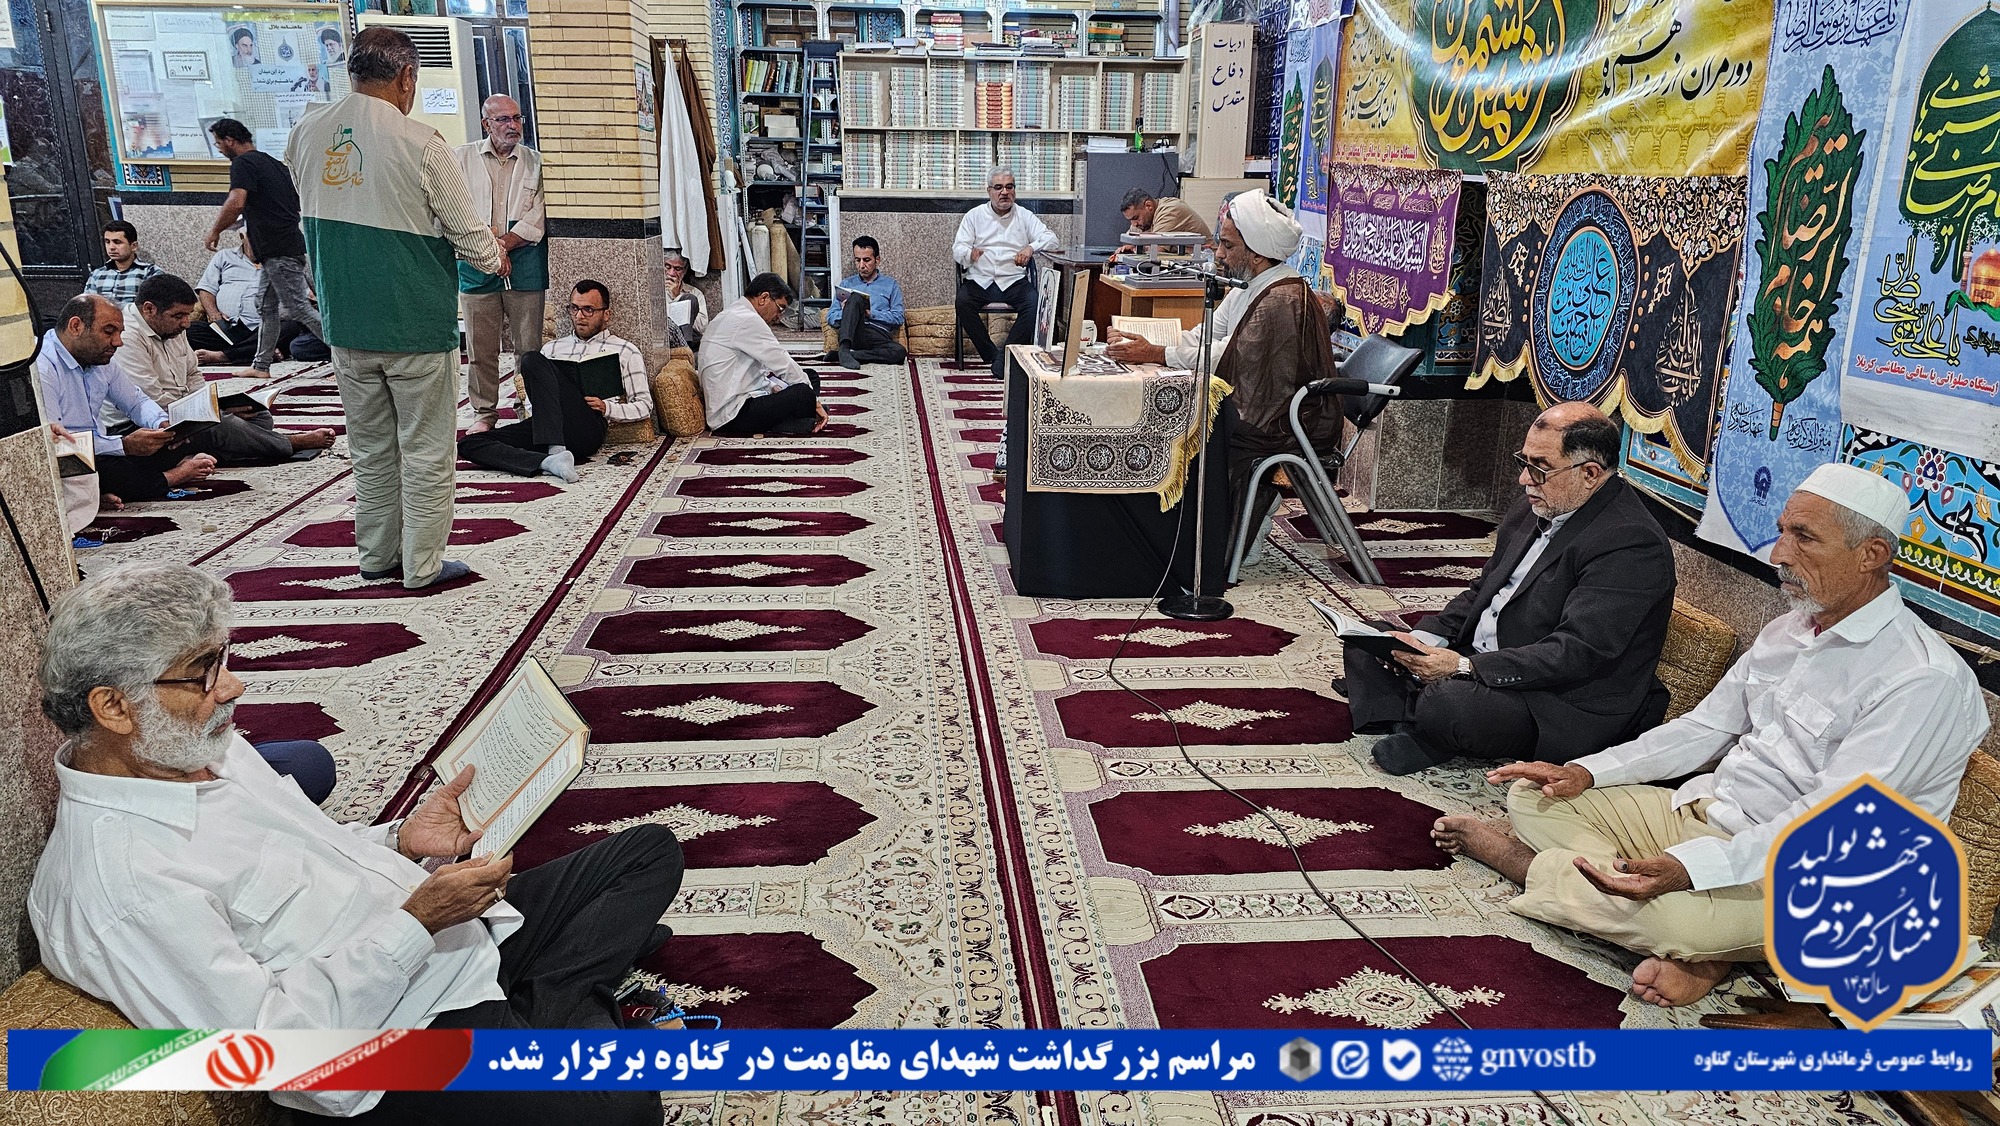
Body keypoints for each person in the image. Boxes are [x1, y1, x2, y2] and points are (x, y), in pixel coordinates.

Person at [29, 561, 682, 1122]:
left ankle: (554, 1008)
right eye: (202, 673)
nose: (232, 687)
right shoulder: (125, 885)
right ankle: (564, 1003)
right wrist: (416, 924)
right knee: (624, 1105)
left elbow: (307, 855)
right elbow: (277, 1056)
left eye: (222, 660)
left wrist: (402, 841)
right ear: (113, 707)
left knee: (649, 852)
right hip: (400, 1034)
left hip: (453, 942)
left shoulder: (193, 749)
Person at [1434, 463, 1988, 1007]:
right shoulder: (1790, 628)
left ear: (1872, 555)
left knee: (1678, 921)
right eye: (1782, 532)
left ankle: (1532, 869)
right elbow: (1707, 727)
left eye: (1804, 538)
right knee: (1536, 795)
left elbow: (1834, 825)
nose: (1778, 554)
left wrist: (1690, 870)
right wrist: (1585, 772)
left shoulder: (1921, 678)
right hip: (1709, 814)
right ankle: (1685, 933)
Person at [1343, 403, 1676, 775]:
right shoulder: (1533, 507)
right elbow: (1482, 591)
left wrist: (1465, 667)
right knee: (1369, 638)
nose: (1524, 479)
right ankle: (1420, 722)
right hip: (1490, 657)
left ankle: (1419, 717)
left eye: (1540, 467)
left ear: (1589, 473)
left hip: (1555, 698)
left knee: (1451, 704)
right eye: (1524, 461)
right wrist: (1421, 641)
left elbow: (1576, 652)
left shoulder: (1630, 542)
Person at [287, 27, 503, 589]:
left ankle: (377, 556)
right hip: (414, 324)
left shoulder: (305, 131)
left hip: (345, 323)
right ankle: (422, 566)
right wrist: (494, 256)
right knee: (426, 450)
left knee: (371, 449)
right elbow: (473, 240)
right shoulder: (421, 142)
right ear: (407, 76)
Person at [1105, 189, 1341, 539]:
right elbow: (1207, 334)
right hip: (1261, 408)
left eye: (1228, 245)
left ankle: (1211, 540)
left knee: (1189, 433)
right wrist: (1149, 343)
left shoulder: (1280, 298)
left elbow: (1226, 354)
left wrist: (1157, 354)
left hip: (1278, 423)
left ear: (1257, 253)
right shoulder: (1252, 284)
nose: (1218, 253)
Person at [110, 273, 335, 463]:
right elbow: (151, 402)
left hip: (182, 413)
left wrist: (209, 408)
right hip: (142, 425)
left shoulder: (171, 328)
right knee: (222, 426)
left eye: (187, 315)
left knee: (258, 416)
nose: (186, 323)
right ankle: (288, 443)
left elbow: (193, 374)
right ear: (149, 309)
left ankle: (221, 449)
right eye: (178, 316)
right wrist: (210, 415)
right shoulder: (127, 337)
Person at [460, 280, 650, 482]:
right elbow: (534, 398)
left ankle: (555, 450)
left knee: (531, 359)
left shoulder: (625, 350)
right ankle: (549, 461)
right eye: (574, 308)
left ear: (606, 314)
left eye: (588, 310)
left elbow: (645, 406)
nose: (579, 316)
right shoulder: (552, 348)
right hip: (547, 426)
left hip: (586, 427)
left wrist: (606, 408)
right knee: (469, 443)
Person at [35, 294, 217, 505]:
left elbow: (136, 401)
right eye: (109, 332)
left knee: (176, 440)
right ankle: (173, 477)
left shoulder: (99, 359)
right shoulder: (42, 366)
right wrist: (123, 446)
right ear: (76, 326)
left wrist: (162, 424)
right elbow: (56, 443)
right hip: (66, 455)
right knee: (109, 470)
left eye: (120, 333)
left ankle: (102, 493)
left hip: (102, 446)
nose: (118, 342)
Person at [205, 118, 327, 378]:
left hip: (279, 250)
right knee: (266, 307)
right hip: (278, 250)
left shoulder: (243, 163)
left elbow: (236, 201)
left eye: (218, 143)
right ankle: (261, 366)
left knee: (298, 308)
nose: (219, 149)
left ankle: (346, 358)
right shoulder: (276, 165)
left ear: (229, 140)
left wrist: (215, 230)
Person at [456, 94, 548, 434]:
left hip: (525, 261)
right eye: (503, 120)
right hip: (475, 264)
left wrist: (505, 245)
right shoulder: (461, 158)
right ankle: (484, 413)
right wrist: (489, 249)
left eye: (517, 118)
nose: (513, 125)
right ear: (486, 124)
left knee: (528, 347)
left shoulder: (536, 162)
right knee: (481, 349)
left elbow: (539, 212)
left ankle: (528, 408)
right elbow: (454, 209)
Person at [952, 166, 1059, 367]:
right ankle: (994, 356)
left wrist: (1030, 248)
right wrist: (969, 254)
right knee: (963, 302)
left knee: (1034, 303)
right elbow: (958, 248)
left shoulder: (1024, 216)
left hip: (1013, 280)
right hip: (981, 279)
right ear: (989, 191)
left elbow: (1052, 239)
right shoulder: (974, 216)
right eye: (998, 187)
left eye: (1009, 187)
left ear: (1014, 190)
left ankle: (1008, 354)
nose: (1004, 192)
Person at [699, 272, 826, 437]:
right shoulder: (747, 319)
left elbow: (755, 371)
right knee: (803, 392)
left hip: (739, 400)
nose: (779, 316)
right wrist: (815, 402)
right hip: (733, 414)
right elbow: (782, 362)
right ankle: (791, 421)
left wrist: (772, 386)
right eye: (780, 308)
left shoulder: (735, 312)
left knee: (810, 376)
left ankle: (791, 420)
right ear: (764, 298)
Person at [189, 230, 324, 366]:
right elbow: (206, 289)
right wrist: (215, 315)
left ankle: (222, 356)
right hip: (227, 327)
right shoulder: (224, 256)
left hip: (264, 328)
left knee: (290, 327)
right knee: (188, 329)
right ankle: (254, 352)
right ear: (242, 237)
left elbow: (305, 296)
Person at [825, 235, 906, 368]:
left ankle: (846, 355)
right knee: (855, 298)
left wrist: (871, 314)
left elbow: (898, 317)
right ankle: (844, 348)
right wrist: (847, 312)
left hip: (878, 335)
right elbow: (831, 317)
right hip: (854, 333)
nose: (861, 265)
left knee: (899, 352)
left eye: (867, 260)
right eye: (858, 260)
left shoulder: (891, 285)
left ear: (877, 260)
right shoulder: (846, 284)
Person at [1112, 187, 1211, 259]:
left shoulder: (1170, 210)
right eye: (1131, 220)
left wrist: (1136, 249)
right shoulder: (1142, 221)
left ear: (1148, 206)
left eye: (1136, 218)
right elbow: (1129, 243)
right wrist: (1129, 248)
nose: (1134, 224)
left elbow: (1155, 252)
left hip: (1206, 268)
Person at [82, 220, 162, 305]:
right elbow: (88, 306)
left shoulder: (150, 272)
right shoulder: (97, 274)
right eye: (107, 242)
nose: (111, 247)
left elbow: (155, 307)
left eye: (117, 242)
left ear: (134, 246)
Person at [664, 248, 708, 348]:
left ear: (685, 270)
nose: (671, 273)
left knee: (690, 299)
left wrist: (677, 297)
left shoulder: (695, 293)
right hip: (666, 339)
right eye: (667, 267)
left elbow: (702, 328)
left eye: (677, 269)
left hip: (690, 339)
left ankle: (684, 348)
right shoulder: (655, 291)